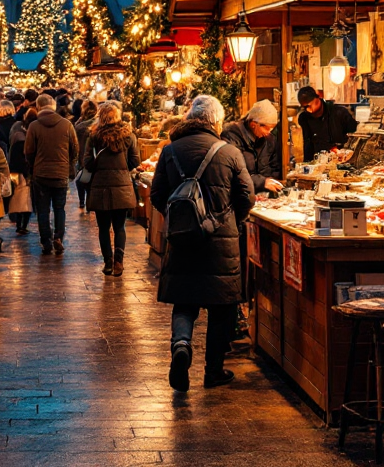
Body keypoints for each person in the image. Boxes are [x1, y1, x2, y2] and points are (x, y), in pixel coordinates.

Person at [151, 95, 254, 392]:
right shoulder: (230, 152)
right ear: (215, 121)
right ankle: (214, 371)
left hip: (182, 241)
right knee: (221, 308)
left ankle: (181, 346)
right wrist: (232, 220)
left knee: (184, 302)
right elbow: (246, 196)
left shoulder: (170, 151)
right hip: (221, 243)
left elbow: (157, 194)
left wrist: (180, 220)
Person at [81, 101, 139, 277]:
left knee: (104, 227)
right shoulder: (128, 136)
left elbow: (87, 163)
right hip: (122, 186)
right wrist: (121, 169)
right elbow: (135, 161)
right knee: (120, 226)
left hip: (100, 187)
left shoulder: (94, 136)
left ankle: (107, 262)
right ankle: (119, 262)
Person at [24, 94, 79, 255]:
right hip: (60, 174)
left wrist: (34, 166)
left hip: (40, 175)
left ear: (39, 107)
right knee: (59, 208)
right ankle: (58, 237)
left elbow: (28, 152)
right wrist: (68, 166)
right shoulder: (67, 125)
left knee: (43, 210)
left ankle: (46, 241)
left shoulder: (34, 126)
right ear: (53, 107)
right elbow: (75, 149)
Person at [220, 99, 284, 193]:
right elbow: (232, 172)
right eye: (267, 128)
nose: (269, 133)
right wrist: (262, 182)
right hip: (240, 195)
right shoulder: (231, 136)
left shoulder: (270, 140)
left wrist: (272, 181)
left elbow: (275, 167)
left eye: (272, 129)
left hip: (263, 196)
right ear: (253, 124)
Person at [295, 85, 358, 161]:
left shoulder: (339, 113)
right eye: (304, 107)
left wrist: (342, 151)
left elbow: (355, 136)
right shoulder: (304, 118)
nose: (308, 109)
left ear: (317, 98)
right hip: (317, 164)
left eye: (308, 105)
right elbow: (307, 144)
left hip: (343, 161)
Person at [5, 107, 36, 234]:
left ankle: (20, 225)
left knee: (18, 201)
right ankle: (22, 225)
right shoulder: (26, 138)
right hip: (23, 174)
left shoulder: (17, 132)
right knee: (25, 202)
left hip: (15, 172)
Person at [73, 100, 99, 211]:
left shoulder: (79, 126)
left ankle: (83, 201)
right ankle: (88, 202)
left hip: (83, 156)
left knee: (82, 180)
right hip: (94, 157)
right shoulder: (98, 124)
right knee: (88, 180)